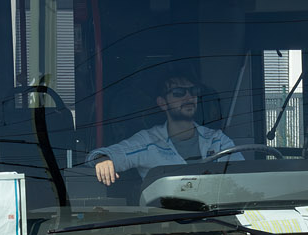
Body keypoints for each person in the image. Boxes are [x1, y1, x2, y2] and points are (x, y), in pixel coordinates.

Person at [90, 73, 240, 186]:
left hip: (217, 222)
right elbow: (101, 155)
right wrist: (103, 159)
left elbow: (240, 178)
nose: (189, 97)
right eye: (179, 93)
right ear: (162, 103)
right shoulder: (148, 141)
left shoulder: (217, 140)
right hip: (164, 223)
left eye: (193, 91)